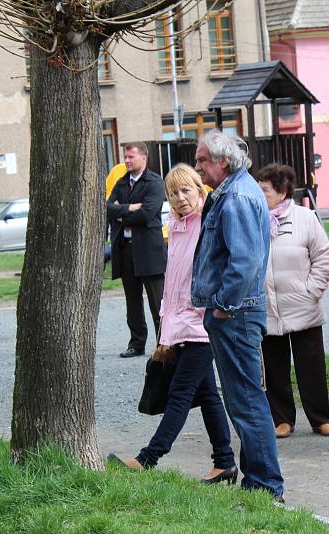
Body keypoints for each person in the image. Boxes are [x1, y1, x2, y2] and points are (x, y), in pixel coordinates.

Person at [112, 164, 237, 483]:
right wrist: (165, 330)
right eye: (174, 193)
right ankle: (224, 462)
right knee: (208, 395)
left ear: (200, 190)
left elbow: (211, 277)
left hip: (200, 326)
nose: (180, 198)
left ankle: (147, 459)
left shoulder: (207, 225)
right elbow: (172, 284)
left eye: (186, 190)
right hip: (179, 326)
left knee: (180, 394)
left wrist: (198, 315)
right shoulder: (177, 227)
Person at [192, 130, 284, 500]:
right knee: (241, 399)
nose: (197, 167)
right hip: (233, 312)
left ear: (223, 162)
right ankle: (257, 482)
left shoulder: (238, 198)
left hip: (236, 313)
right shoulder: (232, 193)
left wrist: (223, 305)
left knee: (246, 399)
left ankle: (265, 486)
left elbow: (244, 261)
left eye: (202, 160)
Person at [255, 164, 329, 439]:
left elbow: (325, 257)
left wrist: (311, 291)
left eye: (265, 189)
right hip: (267, 308)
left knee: (311, 365)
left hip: (303, 306)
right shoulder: (253, 219)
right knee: (275, 367)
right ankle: (282, 419)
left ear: (282, 191)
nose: (259, 193)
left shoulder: (305, 217)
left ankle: (320, 418)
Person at [107, 142, 167, 358]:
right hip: (126, 251)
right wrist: (129, 208)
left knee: (157, 303)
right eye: (125, 156)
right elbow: (107, 208)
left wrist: (121, 213)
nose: (127, 160)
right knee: (132, 302)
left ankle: (164, 345)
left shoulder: (155, 182)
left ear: (144, 158)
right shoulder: (122, 182)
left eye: (131, 156)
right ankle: (137, 343)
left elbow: (147, 214)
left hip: (149, 251)